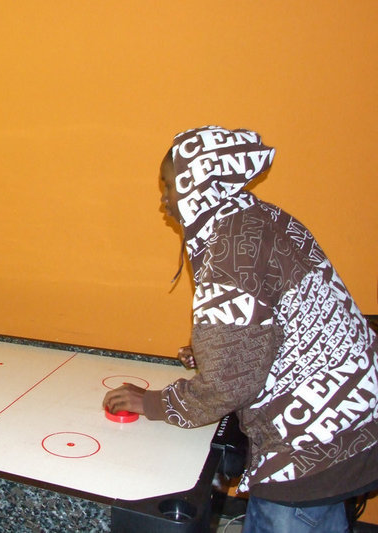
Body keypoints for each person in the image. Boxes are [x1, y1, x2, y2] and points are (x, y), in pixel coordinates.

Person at [103, 126, 378, 532]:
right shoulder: (255, 217)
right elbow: (272, 321)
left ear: (196, 186)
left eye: (169, 186)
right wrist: (216, 349)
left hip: (307, 449)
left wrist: (154, 403)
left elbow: (229, 383)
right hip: (349, 415)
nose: (163, 198)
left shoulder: (229, 249)